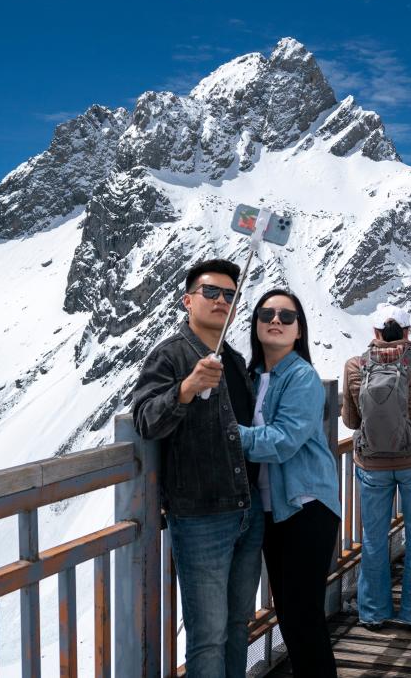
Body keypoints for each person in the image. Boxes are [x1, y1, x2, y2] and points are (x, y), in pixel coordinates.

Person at [131, 259, 262, 678]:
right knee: (208, 636)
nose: (222, 300)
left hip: (247, 509)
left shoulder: (234, 358)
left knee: (239, 625)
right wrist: (186, 389)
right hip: (201, 517)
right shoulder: (170, 355)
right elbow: (145, 419)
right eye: (212, 292)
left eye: (230, 295)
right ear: (188, 300)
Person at [239, 288, 341, 676]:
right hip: (272, 510)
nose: (276, 321)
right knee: (291, 615)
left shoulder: (301, 376)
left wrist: (228, 434)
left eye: (286, 316)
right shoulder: (251, 377)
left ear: (300, 330)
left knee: (302, 615)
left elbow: (282, 440)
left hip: (306, 505)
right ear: (256, 324)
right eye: (267, 315)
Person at [342, 303, 411, 631]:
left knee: (373, 538)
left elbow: (349, 420)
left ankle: (373, 612)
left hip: (372, 464)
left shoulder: (355, 365)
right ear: (407, 332)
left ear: (374, 333)